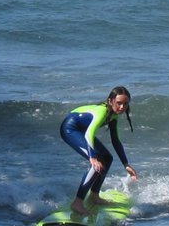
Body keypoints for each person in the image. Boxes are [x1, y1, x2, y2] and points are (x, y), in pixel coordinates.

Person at [59, 86, 138, 215]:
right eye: (119, 103)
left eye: (125, 103)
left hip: (81, 131)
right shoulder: (102, 111)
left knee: (107, 158)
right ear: (111, 101)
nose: (122, 107)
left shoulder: (113, 116)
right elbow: (89, 134)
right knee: (97, 163)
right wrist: (92, 157)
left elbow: (116, 141)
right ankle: (77, 203)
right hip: (70, 129)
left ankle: (94, 196)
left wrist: (126, 164)